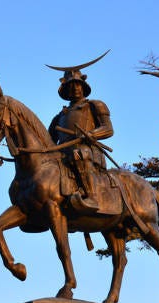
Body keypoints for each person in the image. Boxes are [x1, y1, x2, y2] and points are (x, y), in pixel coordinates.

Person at [48, 68, 113, 212]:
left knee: (79, 153)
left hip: (87, 151)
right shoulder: (59, 117)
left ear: (83, 86)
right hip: (64, 154)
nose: (75, 88)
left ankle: (92, 197)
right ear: (65, 90)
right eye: (70, 85)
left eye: (77, 84)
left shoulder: (94, 105)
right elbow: (48, 142)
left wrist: (91, 134)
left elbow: (108, 129)